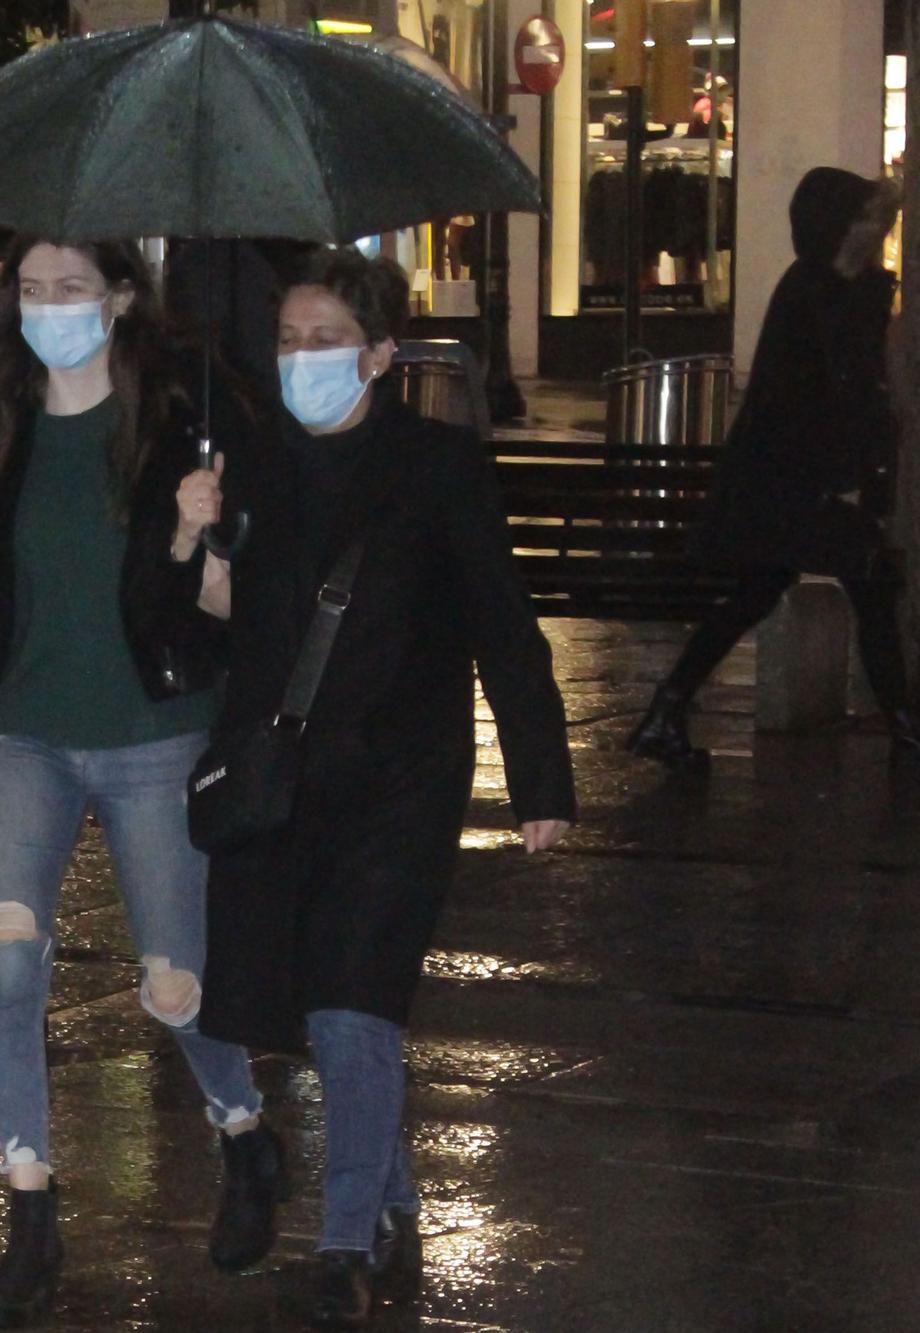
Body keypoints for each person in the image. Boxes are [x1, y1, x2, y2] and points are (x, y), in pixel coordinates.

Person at [139, 248, 575, 1327]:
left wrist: (539, 780)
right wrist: (189, 539)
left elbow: (501, 625)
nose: (302, 358)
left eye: (326, 338)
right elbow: (205, 638)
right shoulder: (247, 466)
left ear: (379, 355)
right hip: (278, 778)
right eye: (286, 339)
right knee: (284, 1001)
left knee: (350, 1004)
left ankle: (342, 1246)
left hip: (398, 780)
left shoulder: (436, 465)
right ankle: (387, 1206)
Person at [0, 238, 283, 1330]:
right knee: (6, 972)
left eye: (70, 290)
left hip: (150, 735)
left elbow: (220, 616)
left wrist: (196, 537)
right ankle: (29, 1211)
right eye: (30, 290)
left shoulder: (175, 425)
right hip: (29, 742)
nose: (48, 308)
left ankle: (244, 1133)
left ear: (117, 298)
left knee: (174, 987)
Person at [627, 167, 920, 776]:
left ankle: (668, 709)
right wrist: (857, 475)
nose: (881, 232)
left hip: (786, 481)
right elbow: (847, 392)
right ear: (841, 229)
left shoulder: (820, 285)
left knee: (759, 591)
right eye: (870, 221)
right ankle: (907, 734)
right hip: (807, 484)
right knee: (870, 590)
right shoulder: (828, 292)